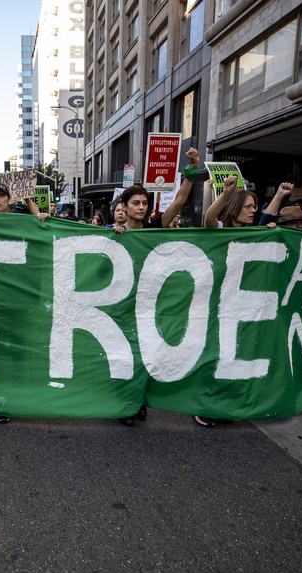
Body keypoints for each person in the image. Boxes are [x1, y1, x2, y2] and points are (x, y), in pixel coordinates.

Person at [112, 147, 201, 426]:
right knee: (123, 357)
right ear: (124, 207)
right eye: (135, 203)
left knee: (145, 356)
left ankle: (137, 402)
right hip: (121, 304)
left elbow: (180, 200)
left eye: (144, 203)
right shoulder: (113, 234)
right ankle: (124, 403)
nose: (141, 207)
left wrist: (191, 172)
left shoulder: (155, 226)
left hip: (149, 304)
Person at [0, 182, 48, 422]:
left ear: (10, 199)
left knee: (18, 349)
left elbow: (45, 234)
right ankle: (0, 396)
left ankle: (15, 392)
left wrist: (39, 214)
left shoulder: (24, 221)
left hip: (19, 298)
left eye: (0, 195)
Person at [195, 173, 260, 427]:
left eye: (255, 207)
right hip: (216, 304)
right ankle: (206, 406)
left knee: (234, 356)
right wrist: (226, 193)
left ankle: (227, 405)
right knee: (215, 355)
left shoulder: (258, 233)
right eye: (248, 207)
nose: (253, 211)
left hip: (242, 306)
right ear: (235, 209)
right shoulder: (219, 231)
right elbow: (210, 217)